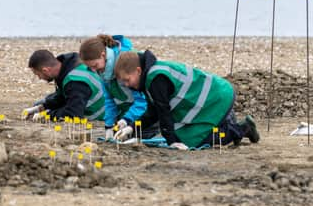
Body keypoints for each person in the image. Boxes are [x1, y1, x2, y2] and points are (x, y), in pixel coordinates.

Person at [113, 50, 260, 149]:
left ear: (138, 71)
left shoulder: (156, 78)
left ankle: (242, 128)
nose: (127, 85)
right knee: (185, 135)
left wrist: (173, 143)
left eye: (127, 80)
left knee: (193, 141)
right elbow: (153, 113)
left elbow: (163, 112)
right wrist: (131, 128)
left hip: (217, 98)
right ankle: (227, 121)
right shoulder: (148, 78)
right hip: (211, 98)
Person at [79, 34, 155, 141]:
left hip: (147, 114)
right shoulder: (104, 72)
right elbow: (109, 100)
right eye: (90, 67)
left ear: (103, 55)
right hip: (127, 114)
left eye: (95, 65)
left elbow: (143, 101)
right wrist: (109, 126)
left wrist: (127, 120)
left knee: (140, 136)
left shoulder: (125, 65)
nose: (93, 70)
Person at [22, 49, 105, 121]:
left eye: (38, 74)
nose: (39, 78)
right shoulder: (67, 64)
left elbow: (74, 113)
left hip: (100, 112)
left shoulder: (75, 82)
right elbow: (62, 97)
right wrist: (40, 108)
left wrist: (48, 115)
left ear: (45, 70)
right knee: (40, 102)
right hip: (83, 100)